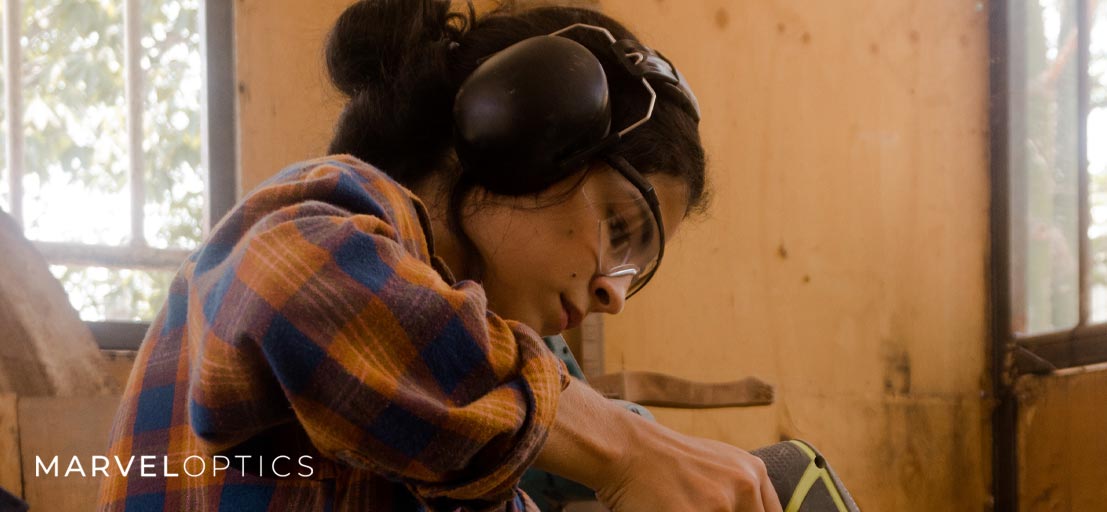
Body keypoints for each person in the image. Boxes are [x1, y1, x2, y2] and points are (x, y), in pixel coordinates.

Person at [98, 1, 784, 511]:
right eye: (618, 226)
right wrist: (626, 447)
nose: (613, 293)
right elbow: (291, 284)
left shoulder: (454, 423)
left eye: (635, 266)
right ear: (516, 136)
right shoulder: (333, 216)